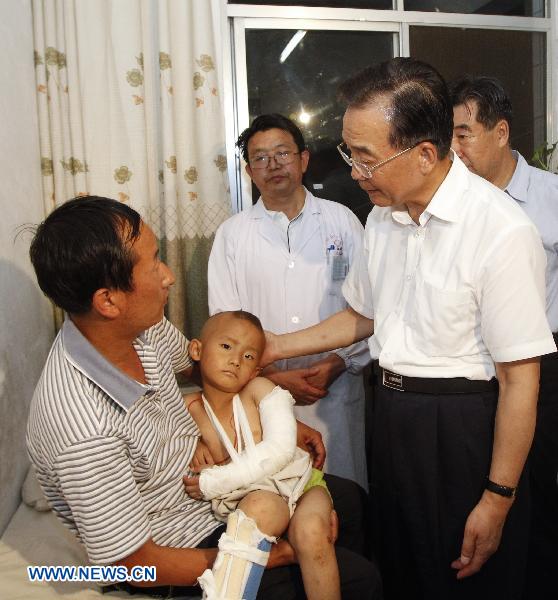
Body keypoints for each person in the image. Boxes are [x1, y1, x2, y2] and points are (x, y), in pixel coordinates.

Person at [261, 58, 557, 600]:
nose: (353, 171)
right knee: (402, 568)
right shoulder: (383, 218)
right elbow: (364, 314)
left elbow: (521, 380)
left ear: (424, 154)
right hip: (393, 416)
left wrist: (497, 496)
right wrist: (273, 346)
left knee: (468, 575)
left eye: (366, 157)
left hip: (464, 427)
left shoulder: (502, 231)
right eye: (350, 153)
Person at [26, 195, 381, 599]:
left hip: (217, 492)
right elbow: (136, 563)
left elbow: (202, 370)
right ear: (108, 300)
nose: (169, 276)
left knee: (351, 501)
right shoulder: (81, 426)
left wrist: (268, 414)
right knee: (359, 580)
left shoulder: (142, 327)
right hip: (180, 546)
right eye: (154, 262)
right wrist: (275, 555)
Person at [208, 113, 370, 492]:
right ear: (249, 171)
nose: (273, 165)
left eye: (282, 153)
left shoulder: (342, 222)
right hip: (262, 397)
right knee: (278, 504)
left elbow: (371, 308)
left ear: (304, 159)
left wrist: (340, 361)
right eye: (261, 158)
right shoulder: (232, 236)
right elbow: (224, 329)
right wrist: (271, 381)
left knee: (345, 501)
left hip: (336, 392)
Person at [450, 74, 558, 599]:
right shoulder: (451, 204)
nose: (455, 148)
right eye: (448, 135)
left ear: (501, 132)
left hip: (543, 361)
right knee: (485, 486)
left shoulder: (551, 197)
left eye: (464, 133)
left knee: (538, 484)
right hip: (473, 368)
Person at [182, 310, 339, 600]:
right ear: (197, 349)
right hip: (259, 501)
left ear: (255, 371)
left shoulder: (260, 390)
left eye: (249, 356)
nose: (235, 360)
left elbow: (279, 450)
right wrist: (198, 424)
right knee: (258, 509)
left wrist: (213, 482)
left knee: (312, 532)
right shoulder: (190, 407)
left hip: (302, 486)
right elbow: (215, 451)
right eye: (227, 347)